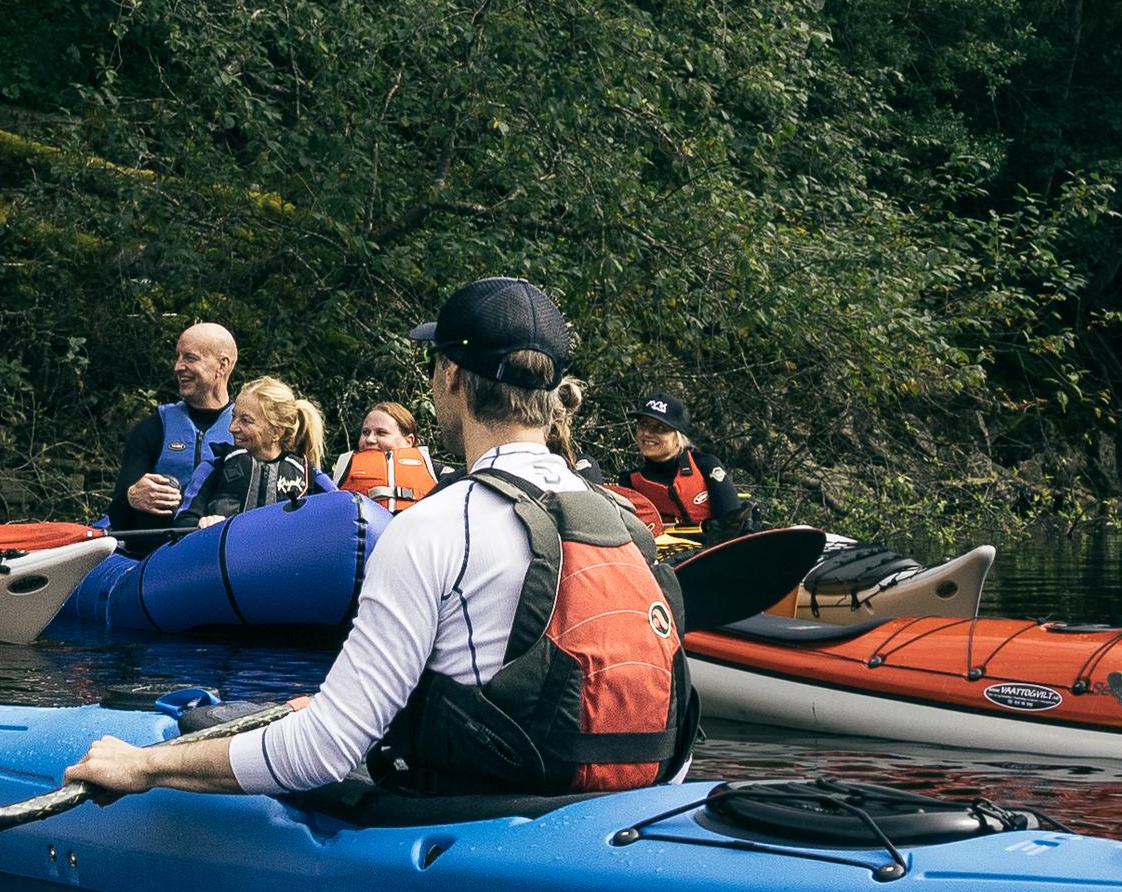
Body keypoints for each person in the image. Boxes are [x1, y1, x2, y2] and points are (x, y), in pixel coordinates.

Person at [64, 278, 689, 804]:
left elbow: (324, 752)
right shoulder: (624, 526)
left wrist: (144, 767)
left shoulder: (438, 525)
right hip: (619, 807)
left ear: (450, 379)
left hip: (473, 818)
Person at [105, 321, 240, 529]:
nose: (178, 367)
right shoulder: (152, 429)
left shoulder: (246, 431)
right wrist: (131, 497)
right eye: (178, 357)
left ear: (222, 365)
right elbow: (117, 514)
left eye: (190, 358)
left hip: (221, 546)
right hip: (159, 550)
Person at [609, 393, 752, 545]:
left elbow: (733, 525)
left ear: (678, 436)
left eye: (659, 428)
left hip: (714, 556)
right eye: (643, 425)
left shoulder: (705, 465)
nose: (647, 433)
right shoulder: (630, 481)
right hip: (664, 564)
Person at [187, 377, 325, 519]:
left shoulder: (308, 474)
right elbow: (183, 521)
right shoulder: (214, 466)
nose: (232, 428)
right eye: (233, 416)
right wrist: (204, 525)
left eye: (245, 421)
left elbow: (343, 511)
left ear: (276, 432)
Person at [337, 399, 442, 512]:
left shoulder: (439, 475)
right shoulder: (340, 472)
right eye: (365, 432)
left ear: (408, 441)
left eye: (381, 433)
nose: (369, 439)